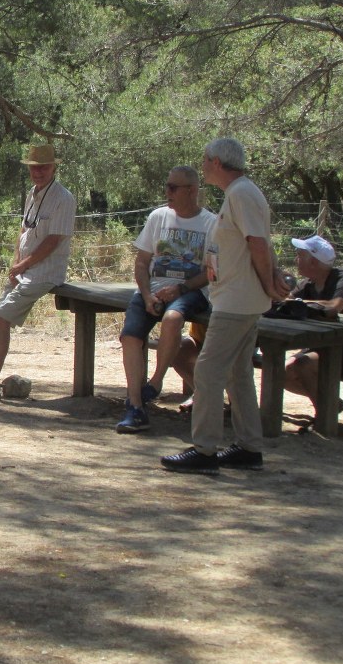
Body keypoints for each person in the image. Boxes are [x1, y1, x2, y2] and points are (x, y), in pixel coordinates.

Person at [161, 138, 290, 474]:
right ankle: (249, 447)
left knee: (208, 370)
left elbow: (258, 244)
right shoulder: (239, 194)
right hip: (237, 297)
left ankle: (204, 451)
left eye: (205, 160)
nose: (202, 165)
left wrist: (266, 283)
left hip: (237, 300)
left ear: (217, 162)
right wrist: (267, 284)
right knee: (238, 373)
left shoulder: (242, 193)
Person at [0, 144, 76, 401]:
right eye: (34, 167)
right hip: (25, 268)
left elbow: (54, 241)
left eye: (44, 167)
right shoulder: (33, 193)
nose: (38, 172)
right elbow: (24, 230)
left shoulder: (64, 198)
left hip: (45, 271)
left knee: (0, 318)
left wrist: (25, 264)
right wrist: (17, 262)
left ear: (54, 167)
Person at [115, 166, 216, 433]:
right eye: (167, 186)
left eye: (173, 187)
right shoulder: (157, 217)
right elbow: (141, 262)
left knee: (173, 318)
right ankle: (135, 406)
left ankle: (156, 381)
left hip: (191, 292)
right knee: (130, 336)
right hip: (152, 289)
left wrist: (181, 289)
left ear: (192, 191)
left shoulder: (211, 223)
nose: (167, 192)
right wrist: (147, 294)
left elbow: (210, 271)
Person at [283, 235, 343, 412]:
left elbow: (335, 307)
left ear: (313, 262)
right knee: (282, 373)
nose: (297, 260)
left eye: (300, 256)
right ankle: (331, 403)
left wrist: (299, 304)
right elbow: (285, 302)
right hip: (316, 348)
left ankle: (325, 415)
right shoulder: (307, 284)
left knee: (301, 365)